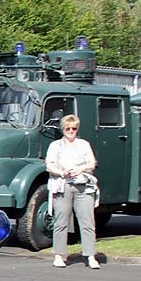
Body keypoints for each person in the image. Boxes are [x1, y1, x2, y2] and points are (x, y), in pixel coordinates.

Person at [45, 114, 99, 269]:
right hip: (63, 185)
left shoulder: (84, 144)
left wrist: (80, 169)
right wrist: (62, 173)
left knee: (87, 221)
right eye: (68, 128)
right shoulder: (55, 145)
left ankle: (90, 255)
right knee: (61, 221)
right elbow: (49, 165)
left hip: (83, 186)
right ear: (63, 129)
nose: (71, 131)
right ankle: (59, 255)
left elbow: (91, 163)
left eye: (74, 128)